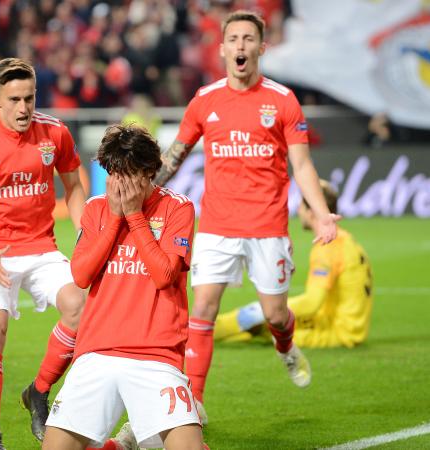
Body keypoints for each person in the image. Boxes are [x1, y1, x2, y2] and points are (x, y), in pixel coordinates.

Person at [154, 10, 340, 423]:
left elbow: (303, 166)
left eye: (248, 39)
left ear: (261, 47)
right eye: (233, 39)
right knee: (201, 307)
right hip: (218, 225)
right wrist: (148, 189)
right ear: (221, 49)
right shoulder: (205, 99)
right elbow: (176, 154)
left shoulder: (283, 100)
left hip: (267, 227)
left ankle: (285, 347)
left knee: (275, 314)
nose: (240, 46)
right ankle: (194, 404)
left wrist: (323, 214)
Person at [0, 57, 87, 449]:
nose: (24, 108)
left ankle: (38, 392)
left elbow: (74, 186)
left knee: (80, 309)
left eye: (29, 97)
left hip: (41, 247)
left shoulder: (55, 133)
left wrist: (82, 230)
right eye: (14, 100)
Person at [43, 124, 203, 450]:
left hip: (156, 356)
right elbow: (82, 274)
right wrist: (116, 218)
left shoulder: (178, 208)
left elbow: (163, 275)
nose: (119, 184)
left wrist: (134, 217)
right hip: (95, 353)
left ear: (149, 173)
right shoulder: (96, 208)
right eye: (113, 174)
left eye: (128, 175)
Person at [215, 180, 373, 348]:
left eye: (301, 206)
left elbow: (312, 303)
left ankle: (197, 332)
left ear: (312, 211)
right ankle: (201, 331)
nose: (298, 210)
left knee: (259, 319)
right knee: (261, 322)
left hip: (335, 332)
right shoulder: (344, 239)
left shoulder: (327, 247)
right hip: (347, 326)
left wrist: (268, 310)